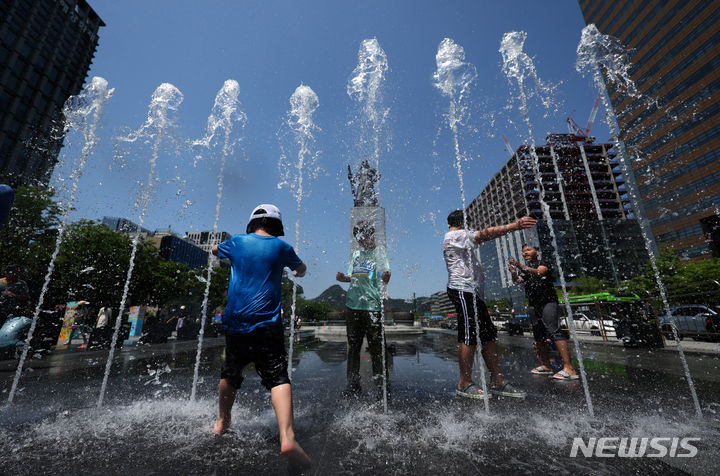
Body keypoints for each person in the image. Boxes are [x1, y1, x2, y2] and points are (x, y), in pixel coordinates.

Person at [211, 203, 311, 468]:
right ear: (277, 225)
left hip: (235, 320)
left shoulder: (236, 242)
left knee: (230, 371)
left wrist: (225, 254)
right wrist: (296, 271)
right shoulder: (282, 248)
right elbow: (301, 269)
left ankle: (222, 422)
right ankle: (287, 437)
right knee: (277, 375)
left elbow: (214, 251)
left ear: (252, 222)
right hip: (267, 322)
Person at [443, 210, 535, 400]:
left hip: (474, 292)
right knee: (468, 334)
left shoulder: (458, 237)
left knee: (488, 335)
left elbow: (481, 238)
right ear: (463, 223)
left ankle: (497, 381)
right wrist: (514, 226)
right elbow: (484, 234)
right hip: (463, 290)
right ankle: (464, 382)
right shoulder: (456, 235)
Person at [335, 221, 391, 396]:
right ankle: (352, 381)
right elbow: (352, 277)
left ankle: (381, 382)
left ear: (370, 235)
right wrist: (343, 277)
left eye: (364, 236)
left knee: (377, 346)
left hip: (372, 306)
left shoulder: (378, 252)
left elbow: (384, 276)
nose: (361, 241)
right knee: (353, 346)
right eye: (358, 238)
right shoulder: (357, 253)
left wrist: (386, 276)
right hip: (353, 305)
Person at [509, 244, 578, 380]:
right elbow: (518, 281)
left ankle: (569, 368)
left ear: (537, 252)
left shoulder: (543, 262)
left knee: (554, 331)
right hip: (534, 304)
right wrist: (513, 273)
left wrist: (519, 265)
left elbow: (540, 272)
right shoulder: (526, 269)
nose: (525, 253)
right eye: (523, 252)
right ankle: (546, 365)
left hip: (548, 302)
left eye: (528, 250)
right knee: (538, 334)